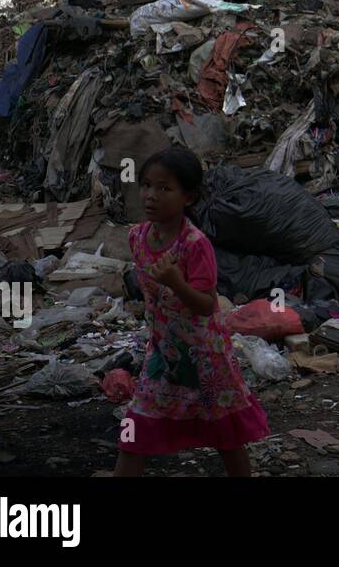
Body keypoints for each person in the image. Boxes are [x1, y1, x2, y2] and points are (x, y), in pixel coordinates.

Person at [113, 147, 269, 476]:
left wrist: (175, 282)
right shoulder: (137, 237)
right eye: (146, 185)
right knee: (136, 427)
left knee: (226, 433)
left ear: (188, 197)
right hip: (164, 354)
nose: (151, 196)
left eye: (164, 188)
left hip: (205, 356)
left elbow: (206, 304)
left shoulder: (195, 244)